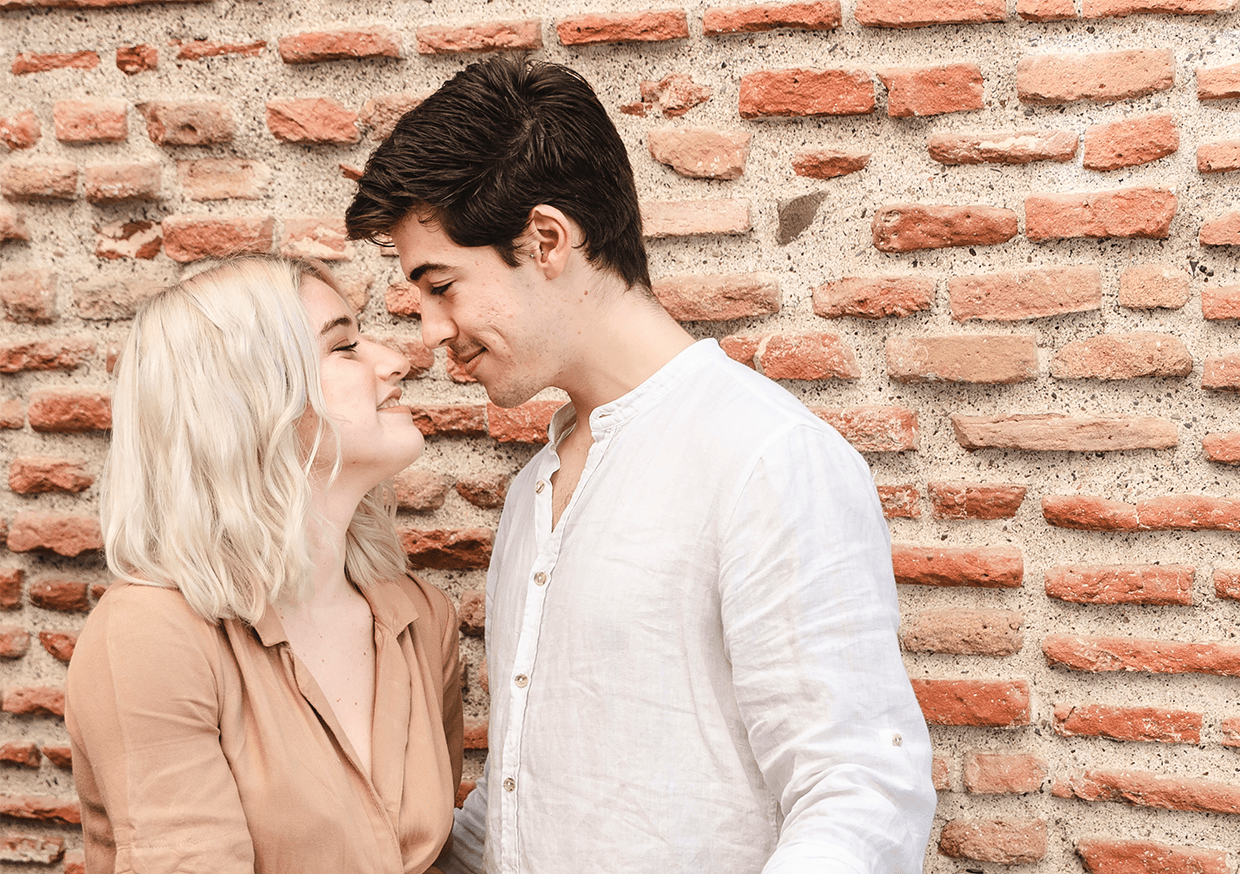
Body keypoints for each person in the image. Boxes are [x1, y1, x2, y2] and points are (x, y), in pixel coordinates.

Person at [346, 57, 936, 873]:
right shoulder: (534, 491)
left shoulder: (764, 457)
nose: (430, 332)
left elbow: (861, 790)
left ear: (546, 240)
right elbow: (532, 799)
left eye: (441, 285)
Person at [65, 256, 463, 873]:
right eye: (344, 346)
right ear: (247, 400)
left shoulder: (421, 616)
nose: (395, 360)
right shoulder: (152, 634)